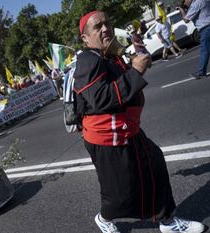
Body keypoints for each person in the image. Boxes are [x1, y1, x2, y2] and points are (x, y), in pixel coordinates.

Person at [74, 11, 206, 233]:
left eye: (107, 23)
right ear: (85, 38)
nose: (105, 29)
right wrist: (136, 71)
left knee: (154, 165)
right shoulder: (88, 60)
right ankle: (104, 218)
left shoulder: (108, 56)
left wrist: (137, 61)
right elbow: (99, 99)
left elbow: (125, 78)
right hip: (107, 139)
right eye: (97, 27)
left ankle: (167, 221)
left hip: (127, 130)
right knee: (120, 194)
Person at [180, 0, 210, 79]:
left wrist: (182, 10)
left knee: (204, 51)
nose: (184, 2)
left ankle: (201, 72)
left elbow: (186, 20)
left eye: (184, 1)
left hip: (205, 29)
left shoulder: (197, 3)